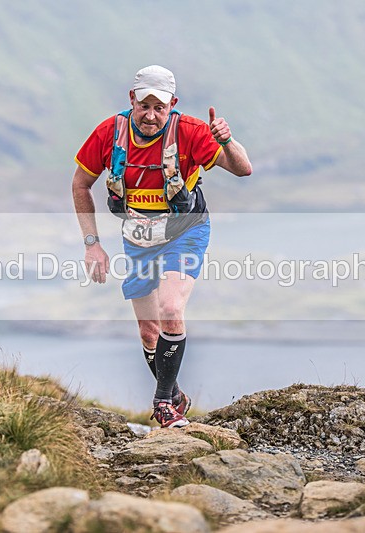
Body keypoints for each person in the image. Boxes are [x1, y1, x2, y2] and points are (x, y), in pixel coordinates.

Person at [71, 65, 252, 428]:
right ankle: (176, 395)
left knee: (171, 309)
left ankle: (162, 404)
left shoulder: (191, 132)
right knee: (148, 332)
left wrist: (227, 140)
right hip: (138, 238)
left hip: (186, 230)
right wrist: (92, 245)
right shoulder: (109, 133)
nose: (151, 116)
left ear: (173, 104)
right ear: (131, 100)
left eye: (160, 107)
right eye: (144, 106)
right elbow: (80, 185)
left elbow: (243, 168)